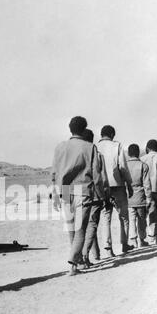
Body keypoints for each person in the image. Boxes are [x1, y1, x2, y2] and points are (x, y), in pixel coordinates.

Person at [51, 116, 105, 275]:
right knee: (80, 229)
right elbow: (97, 175)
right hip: (83, 190)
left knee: (71, 228)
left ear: (70, 129)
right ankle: (73, 262)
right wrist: (101, 195)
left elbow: (54, 173)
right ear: (84, 129)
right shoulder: (90, 147)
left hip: (65, 190)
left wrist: (55, 195)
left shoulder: (60, 147)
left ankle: (77, 262)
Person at [97, 125, 134, 256]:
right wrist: (129, 183)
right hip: (117, 185)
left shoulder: (95, 148)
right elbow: (122, 167)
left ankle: (108, 249)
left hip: (102, 187)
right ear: (112, 134)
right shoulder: (116, 146)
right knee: (123, 216)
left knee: (106, 216)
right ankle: (124, 245)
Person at [82, 129, 110, 265]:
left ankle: (95, 253)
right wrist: (105, 195)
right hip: (94, 195)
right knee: (92, 225)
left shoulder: (78, 155)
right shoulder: (98, 155)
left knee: (83, 226)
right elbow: (102, 178)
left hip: (78, 194)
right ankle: (85, 255)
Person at [126, 143, 152, 248]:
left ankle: (133, 240)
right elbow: (147, 184)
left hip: (129, 196)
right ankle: (142, 239)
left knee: (131, 218)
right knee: (141, 219)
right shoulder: (143, 165)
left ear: (128, 153)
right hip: (140, 196)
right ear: (138, 153)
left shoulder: (125, 165)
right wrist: (149, 198)